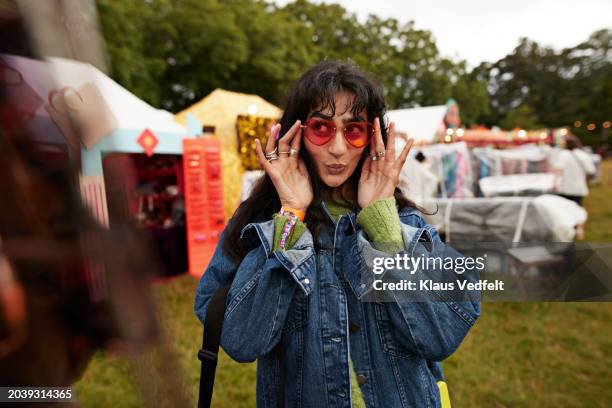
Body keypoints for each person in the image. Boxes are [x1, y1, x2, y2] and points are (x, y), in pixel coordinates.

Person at [194, 61, 480, 407]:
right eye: (321, 128)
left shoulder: (403, 222)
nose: (339, 149)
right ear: (295, 133)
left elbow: (441, 333)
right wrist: (291, 218)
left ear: (373, 136)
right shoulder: (258, 226)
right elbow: (241, 340)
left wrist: (383, 225)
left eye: (354, 130)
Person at [553, 135, 596, 206]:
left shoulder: (563, 154)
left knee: (564, 211)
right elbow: (591, 171)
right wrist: (585, 181)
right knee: (577, 211)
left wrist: (555, 184)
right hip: (578, 188)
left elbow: (558, 171)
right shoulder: (583, 154)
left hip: (564, 188)